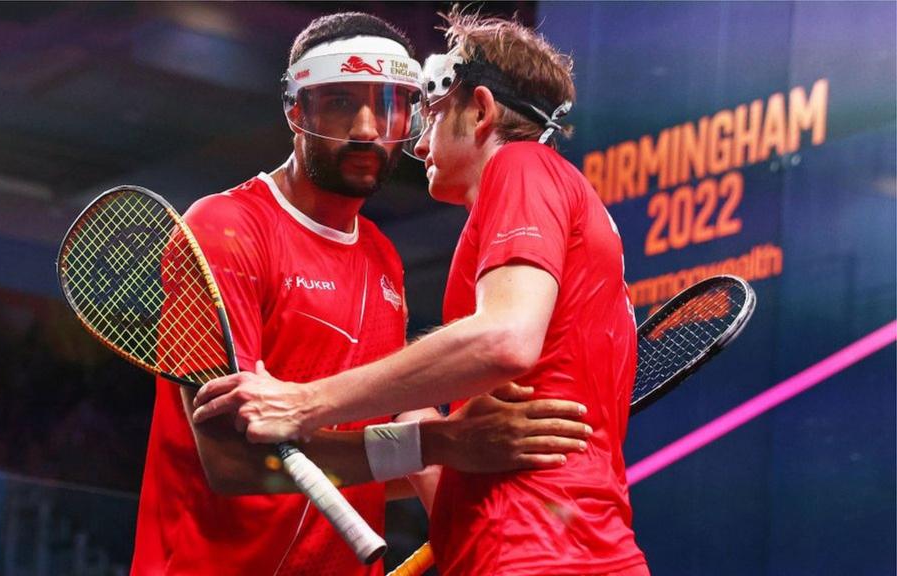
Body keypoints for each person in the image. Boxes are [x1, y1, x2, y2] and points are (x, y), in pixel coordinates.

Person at [193, 9, 650, 576]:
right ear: (296, 110)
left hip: (537, 551)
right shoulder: (560, 203)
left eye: (429, 115)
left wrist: (303, 403)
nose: (416, 142)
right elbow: (450, 447)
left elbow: (505, 340)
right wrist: (442, 450)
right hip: (555, 547)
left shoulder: (522, 167)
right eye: (341, 102)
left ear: (480, 111)